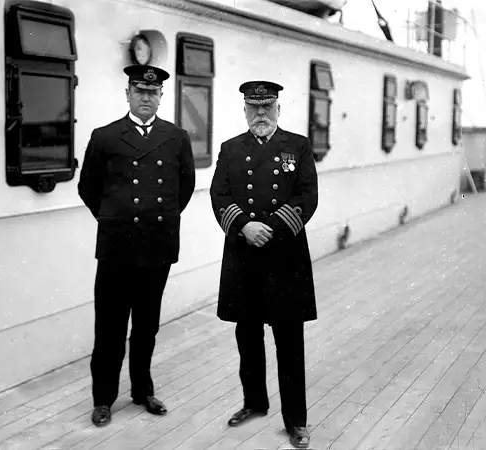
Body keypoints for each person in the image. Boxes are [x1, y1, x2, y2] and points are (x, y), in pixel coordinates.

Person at [78, 64, 196, 427]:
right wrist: (116, 218)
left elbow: (184, 188)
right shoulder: (104, 136)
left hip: (156, 247)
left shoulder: (176, 137)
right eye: (140, 92)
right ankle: (103, 399)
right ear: (127, 94)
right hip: (116, 248)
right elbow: (88, 187)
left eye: (153, 93)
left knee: (147, 326)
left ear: (161, 96)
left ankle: (142, 391)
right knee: (109, 327)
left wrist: (153, 221)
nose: (146, 98)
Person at [209, 81, 318, 448]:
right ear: (244, 111)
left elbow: (308, 196)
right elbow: (218, 195)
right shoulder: (230, 149)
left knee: (289, 342)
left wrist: (269, 228)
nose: (260, 114)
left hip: (284, 256)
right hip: (244, 256)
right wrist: (244, 226)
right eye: (254, 107)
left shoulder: (298, 146)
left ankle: (297, 421)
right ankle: (254, 403)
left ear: (278, 109)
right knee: (248, 335)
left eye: (267, 107)